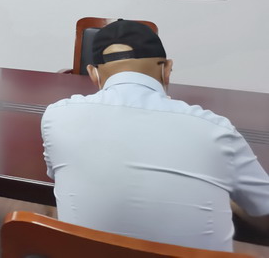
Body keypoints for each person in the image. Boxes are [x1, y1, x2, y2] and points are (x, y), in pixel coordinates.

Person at [41, 19, 269, 251]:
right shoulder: (215, 129)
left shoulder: (57, 116)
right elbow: (264, 208)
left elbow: (59, 175)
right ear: (167, 68)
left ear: (92, 73)